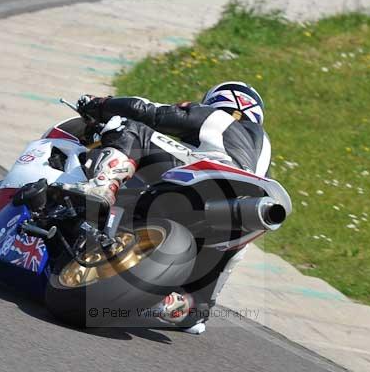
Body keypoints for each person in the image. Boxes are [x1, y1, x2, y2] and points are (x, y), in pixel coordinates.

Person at [74, 82, 271, 334]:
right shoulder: (263, 153)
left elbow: (148, 111)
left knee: (130, 127)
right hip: (237, 215)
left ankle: (103, 185)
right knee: (212, 285)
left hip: (204, 179)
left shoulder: (217, 116)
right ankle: (180, 305)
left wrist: (99, 104)